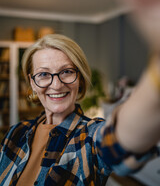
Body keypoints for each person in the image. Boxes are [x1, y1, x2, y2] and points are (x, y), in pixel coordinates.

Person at [0, 33, 160, 186]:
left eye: (67, 71)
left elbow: (121, 138)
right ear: (32, 82)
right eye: (43, 74)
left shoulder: (89, 137)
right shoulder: (16, 133)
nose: (56, 85)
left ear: (81, 79)